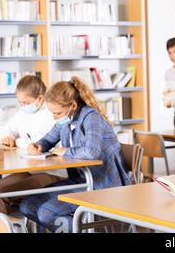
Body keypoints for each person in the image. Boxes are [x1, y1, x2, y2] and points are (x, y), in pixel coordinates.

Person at [19, 77, 131, 233]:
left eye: (57, 113)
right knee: (27, 206)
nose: (54, 117)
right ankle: (82, 229)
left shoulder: (91, 117)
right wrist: (38, 145)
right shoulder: (65, 120)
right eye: (52, 112)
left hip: (102, 185)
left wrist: (66, 151)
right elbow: (49, 139)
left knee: (46, 213)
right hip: (80, 181)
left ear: (72, 105)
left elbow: (91, 152)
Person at [0, 75, 59, 215]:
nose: (23, 106)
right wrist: (5, 137)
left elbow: (39, 144)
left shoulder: (52, 114)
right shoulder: (22, 114)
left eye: (26, 103)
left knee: (1, 196)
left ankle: (5, 228)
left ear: (40, 98)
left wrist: (19, 141)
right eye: (20, 102)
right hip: (27, 171)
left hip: (52, 172)